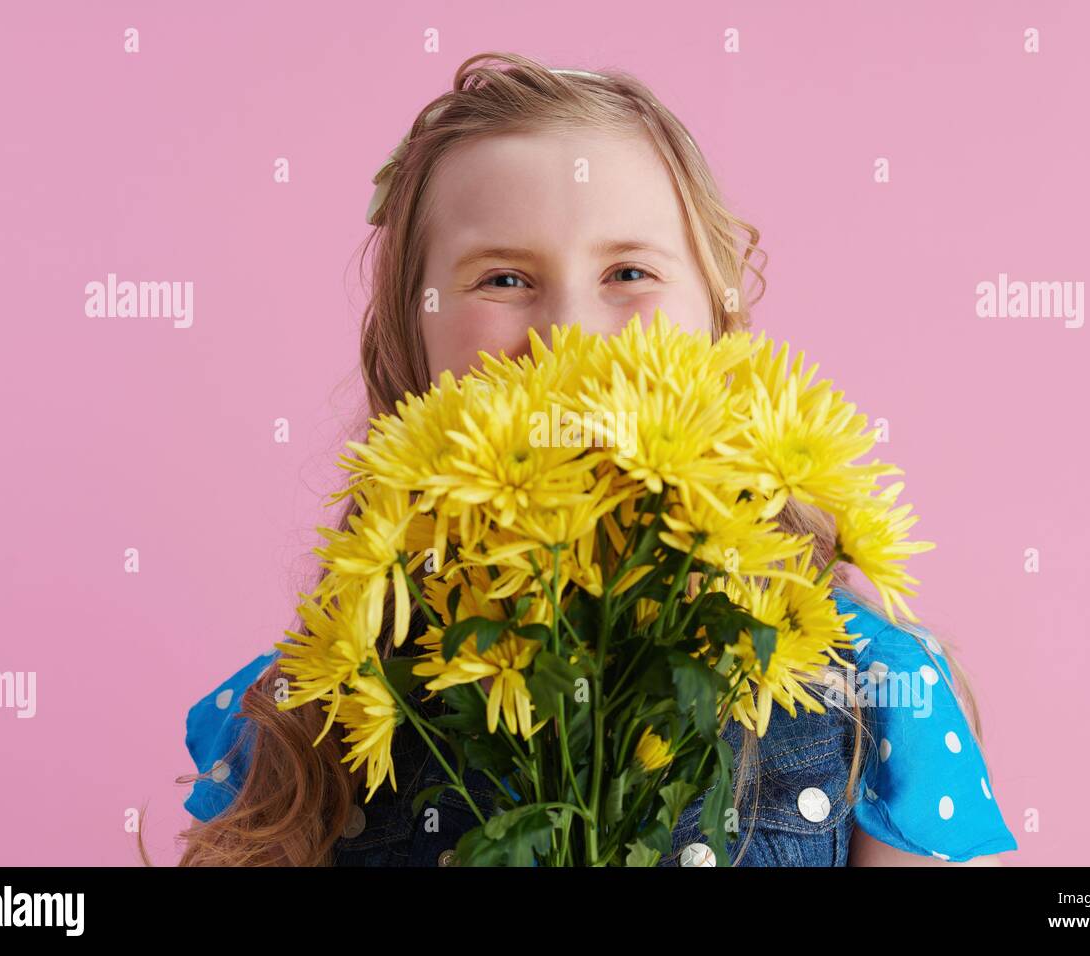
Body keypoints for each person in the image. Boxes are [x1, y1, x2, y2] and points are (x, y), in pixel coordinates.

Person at [170, 51, 1017, 867]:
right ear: (410, 337)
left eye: (628, 270)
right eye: (503, 279)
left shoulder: (875, 690)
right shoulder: (299, 717)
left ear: (719, 323)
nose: (568, 332)